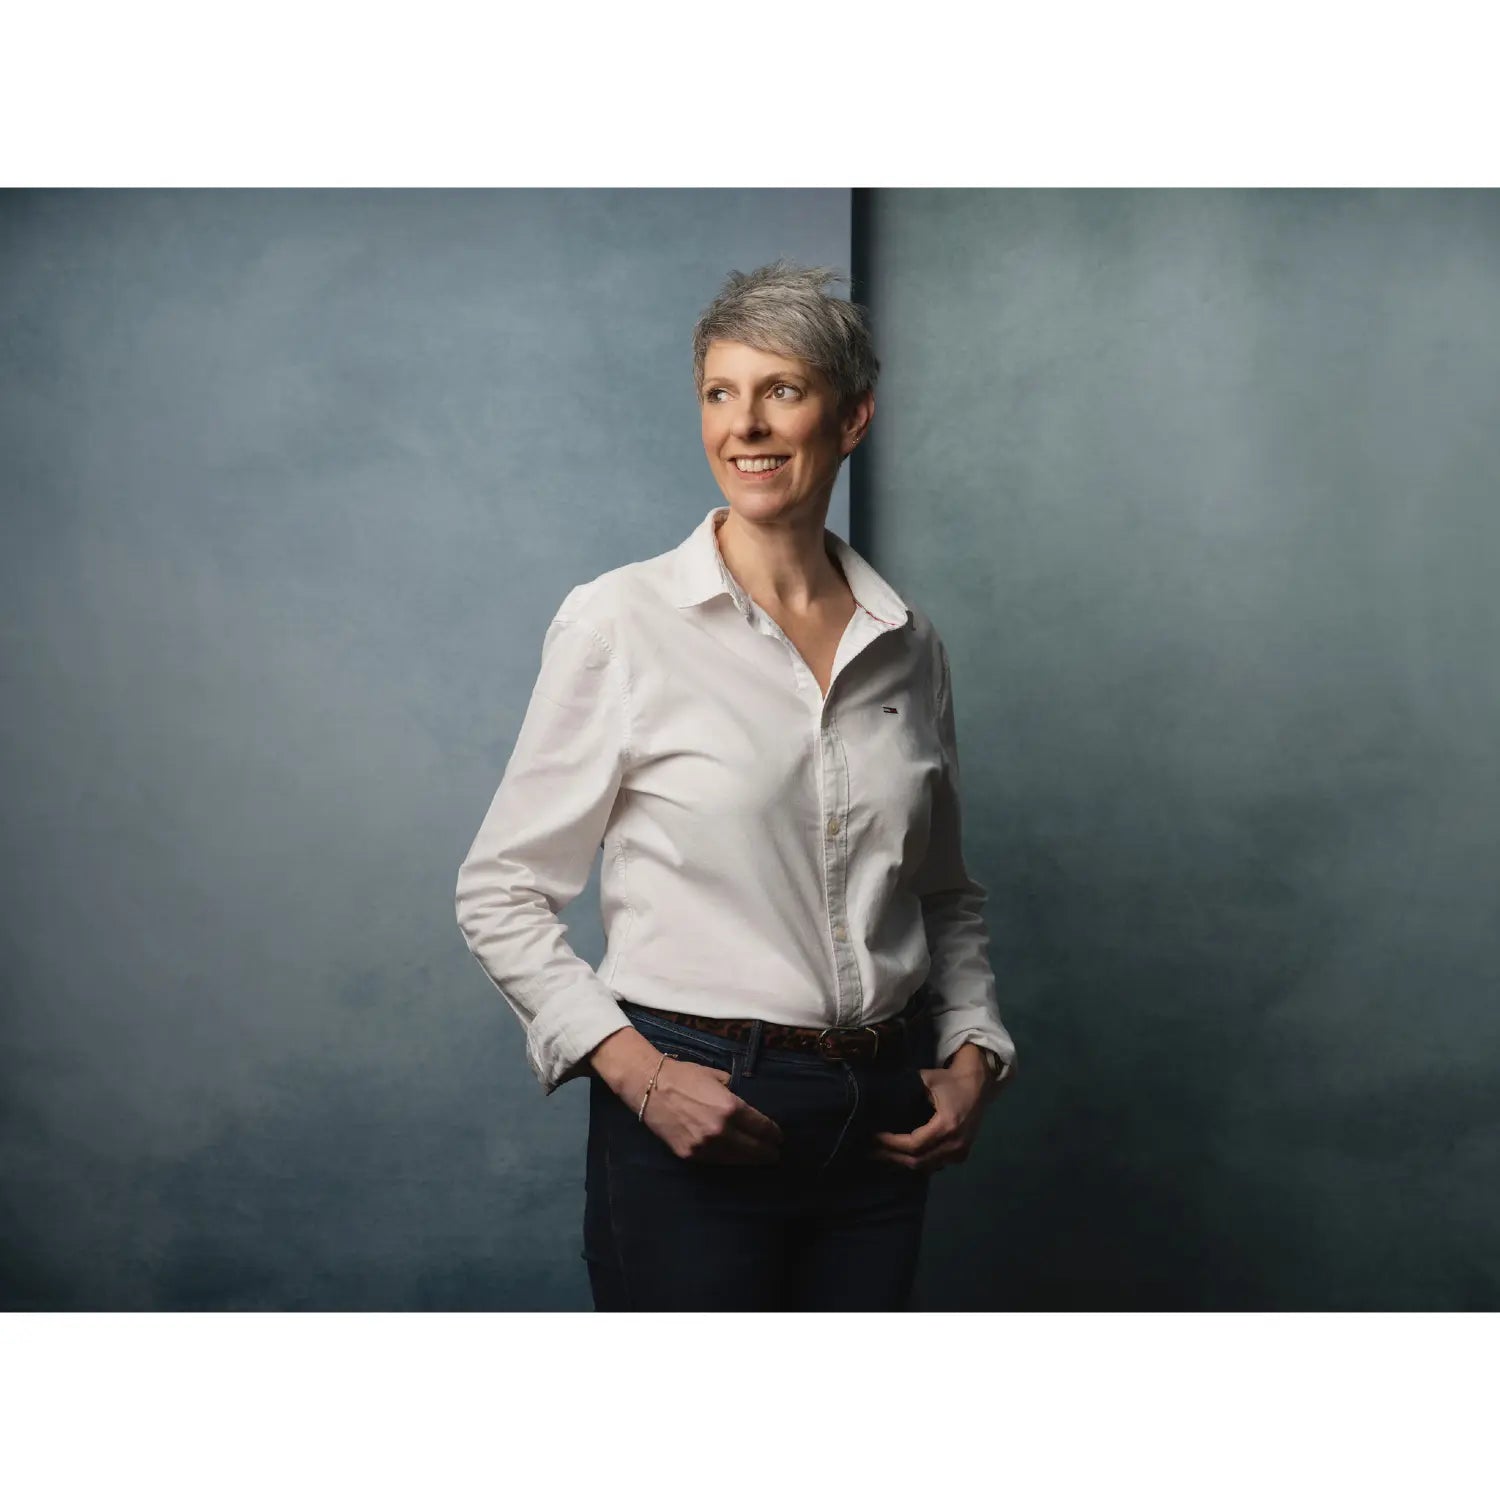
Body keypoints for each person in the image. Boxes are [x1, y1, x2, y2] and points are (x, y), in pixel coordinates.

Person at [455, 259, 1016, 1312]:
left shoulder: (910, 645)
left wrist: (974, 1047)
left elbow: (944, 892)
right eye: (721, 393)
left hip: (883, 1133)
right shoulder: (620, 622)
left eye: (782, 391)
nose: (745, 426)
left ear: (852, 418)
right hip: (695, 1109)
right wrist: (640, 1076)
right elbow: (501, 891)